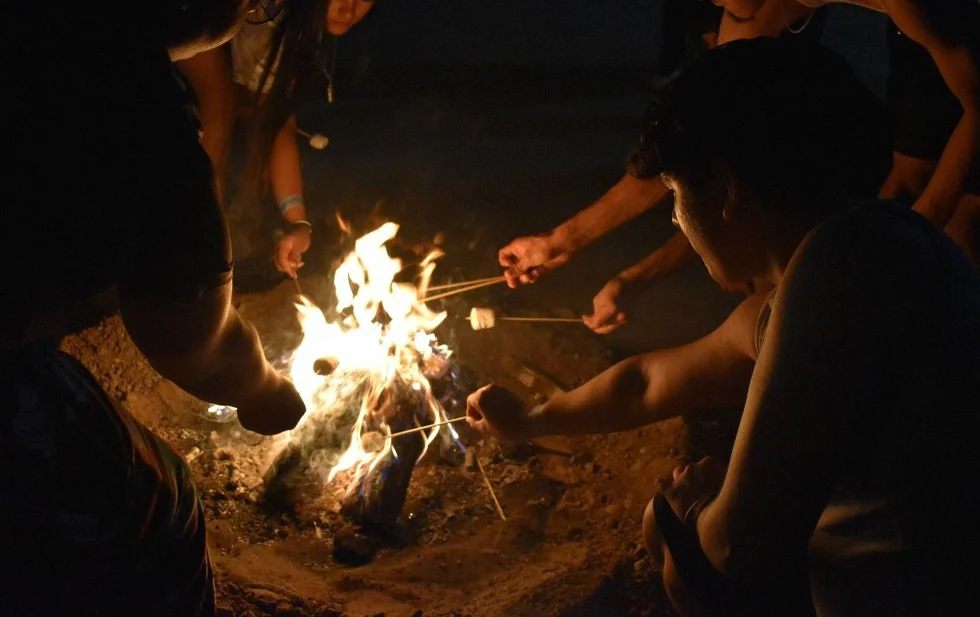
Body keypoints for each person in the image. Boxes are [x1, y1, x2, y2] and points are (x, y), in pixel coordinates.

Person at [468, 39, 980, 616]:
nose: (676, 218)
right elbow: (650, 381)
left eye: (676, 194)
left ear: (726, 189)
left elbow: (736, 550)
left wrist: (686, 508)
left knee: (671, 537)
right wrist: (531, 421)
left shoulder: (836, 278)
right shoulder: (859, 254)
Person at [2, 1, 306, 614]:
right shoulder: (120, 77)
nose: (248, 11)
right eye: (252, 3)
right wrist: (262, 388)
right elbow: (193, 338)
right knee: (158, 504)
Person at [499, 0, 980, 333]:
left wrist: (906, 237)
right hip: (919, 43)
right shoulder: (747, 15)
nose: (719, 12)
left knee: (952, 223)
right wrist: (563, 240)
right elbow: (689, 144)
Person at [177, 0, 376, 279]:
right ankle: (195, 259)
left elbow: (279, 125)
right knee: (219, 105)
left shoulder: (293, 28)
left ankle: (199, 254)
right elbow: (217, 107)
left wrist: (298, 224)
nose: (349, 8)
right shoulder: (271, 8)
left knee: (231, 105)